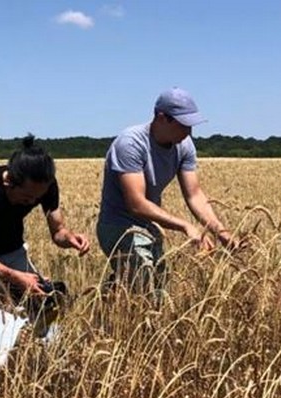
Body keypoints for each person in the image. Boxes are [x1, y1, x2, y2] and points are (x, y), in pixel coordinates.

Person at [96, 87, 242, 295]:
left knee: (157, 288)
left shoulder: (184, 145)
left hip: (149, 226)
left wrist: (221, 232)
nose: (189, 132)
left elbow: (194, 195)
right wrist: (185, 226)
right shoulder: (130, 143)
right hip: (118, 226)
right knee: (145, 288)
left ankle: (109, 300)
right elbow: (136, 203)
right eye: (184, 125)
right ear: (162, 118)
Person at [0, 135, 90, 305]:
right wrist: (15, 277)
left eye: (37, 197)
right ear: (9, 181)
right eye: (26, 197)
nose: (32, 202)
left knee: (40, 309)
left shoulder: (45, 185)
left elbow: (58, 232)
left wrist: (69, 238)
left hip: (13, 251)